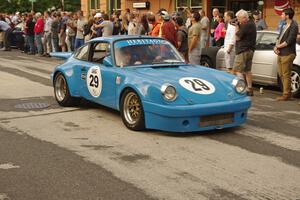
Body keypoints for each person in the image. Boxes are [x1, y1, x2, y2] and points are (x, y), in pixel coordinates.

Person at [274, 8, 298, 101]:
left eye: (282, 14)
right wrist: (276, 47)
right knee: (281, 74)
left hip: (288, 53)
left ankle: (286, 94)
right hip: (281, 53)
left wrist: (278, 46)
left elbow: (289, 41)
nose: (281, 16)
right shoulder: (284, 24)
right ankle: (288, 92)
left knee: (286, 74)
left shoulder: (294, 25)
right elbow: (279, 37)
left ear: (287, 16)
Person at [233, 9, 257, 96]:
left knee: (237, 70)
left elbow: (237, 37)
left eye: (238, 18)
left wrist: (236, 27)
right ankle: (249, 88)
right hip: (250, 50)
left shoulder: (246, 25)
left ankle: (241, 88)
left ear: (244, 18)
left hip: (243, 50)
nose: (237, 20)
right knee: (247, 70)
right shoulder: (252, 24)